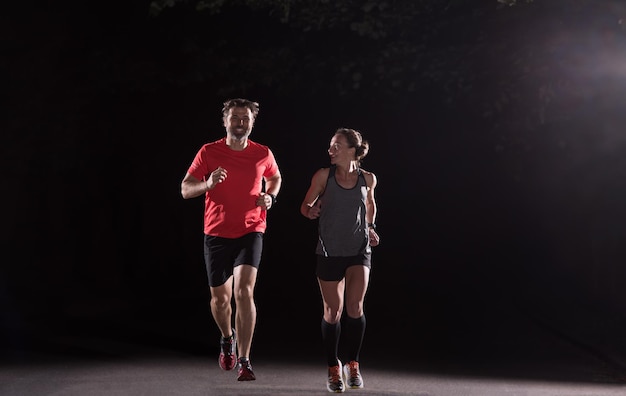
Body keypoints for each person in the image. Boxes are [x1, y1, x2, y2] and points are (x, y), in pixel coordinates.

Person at [181, 98, 282, 382]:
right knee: (221, 300)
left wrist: (269, 197)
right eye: (235, 118)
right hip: (216, 233)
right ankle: (227, 337)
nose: (240, 123)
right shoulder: (209, 152)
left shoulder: (262, 153)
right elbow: (185, 189)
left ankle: (245, 359)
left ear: (253, 122)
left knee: (244, 292)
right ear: (225, 121)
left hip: (251, 229)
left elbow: (275, 178)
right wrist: (207, 184)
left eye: (245, 118)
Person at [300, 128, 380, 393]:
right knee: (332, 313)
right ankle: (333, 367)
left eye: (336, 146)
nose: (330, 150)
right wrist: (310, 211)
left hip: (359, 250)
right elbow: (305, 205)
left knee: (355, 307)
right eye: (330, 146)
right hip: (329, 251)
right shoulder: (324, 176)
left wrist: (371, 227)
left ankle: (353, 364)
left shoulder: (368, 178)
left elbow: (370, 204)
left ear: (352, 150)